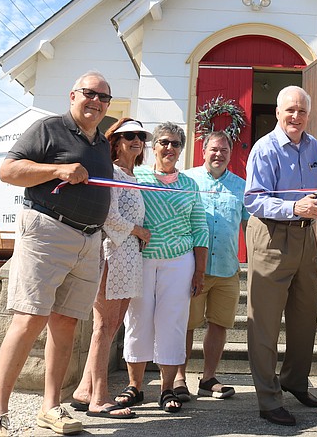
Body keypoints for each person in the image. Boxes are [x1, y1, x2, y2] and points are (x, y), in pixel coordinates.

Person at [0, 71, 114, 437]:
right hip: (48, 232)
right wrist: (57, 169)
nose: (97, 102)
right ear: (73, 95)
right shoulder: (49, 128)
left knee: (66, 321)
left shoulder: (102, 144)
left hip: (88, 241)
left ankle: (50, 408)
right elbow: (8, 170)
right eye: (90, 94)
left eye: (104, 97)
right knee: (29, 318)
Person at [244, 86, 317, 427]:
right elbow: (253, 199)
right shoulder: (264, 149)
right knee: (264, 323)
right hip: (270, 235)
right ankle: (268, 400)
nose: (295, 116)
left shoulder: (311, 145)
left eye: (301, 111)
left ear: (309, 115)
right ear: (279, 112)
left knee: (305, 314)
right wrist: (293, 206)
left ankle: (294, 381)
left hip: (305, 236)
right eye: (290, 110)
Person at [119, 122, 209, 414]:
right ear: (153, 146)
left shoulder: (190, 185)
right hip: (142, 261)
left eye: (175, 144)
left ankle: (167, 388)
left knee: (172, 324)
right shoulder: (138, 177)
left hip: (179, 262)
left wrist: (199, 271)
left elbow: (200, 229)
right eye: (164, 142)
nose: (169, 148)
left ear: (181, 150)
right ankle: (135, 387)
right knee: (138, 320)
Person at [70, 118, 151, 419]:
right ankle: (100, 399)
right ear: (115, 141)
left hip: (130, 258)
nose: (136, 140)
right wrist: (140, 232)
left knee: (112, 326)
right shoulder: (112, 172)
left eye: (140, 136)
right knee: (103, 326)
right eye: (128, 135)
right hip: (112, 254)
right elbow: (109, 216)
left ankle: (84, 389)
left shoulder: (133, 175)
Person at [173, 131, 249, 400]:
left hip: (228, 268)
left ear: (231, 154)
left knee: (219, 324)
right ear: (203, 151)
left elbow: (250, 226)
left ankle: (208, 378)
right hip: (192, 268)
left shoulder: (241, 185)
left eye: (224, 150)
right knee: (186, 324)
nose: (219, 154)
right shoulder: (188, 180)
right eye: (214, 149)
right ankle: (179, 378)